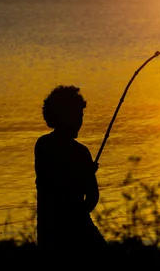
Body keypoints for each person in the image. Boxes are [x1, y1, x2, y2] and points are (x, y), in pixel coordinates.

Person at [34, 85, 106, 249]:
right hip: (75, 228)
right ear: (65, 116)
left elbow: (53, 183)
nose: (81, 121)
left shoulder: (42, 145)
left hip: (48, 230)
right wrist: (86, 174)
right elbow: (92, 197)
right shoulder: (80, 153)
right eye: (78, 115)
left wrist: (85, 173)